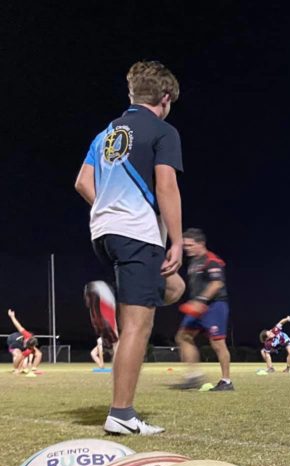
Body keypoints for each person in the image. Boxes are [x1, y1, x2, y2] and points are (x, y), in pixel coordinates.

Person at [74, 61, 186, 435]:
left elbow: (82, 182)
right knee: (138, 324)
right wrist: (177, 240)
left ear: (133, 94)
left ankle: (113, 306)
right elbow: (167, 186)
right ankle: (121, 414)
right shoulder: (163, 130)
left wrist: (107, 209)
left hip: (103, 233)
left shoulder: (105, 134)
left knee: (175, 288)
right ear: (166, 98)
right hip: (137, 233)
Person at [174, 228, 233, 391]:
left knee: (218, 343)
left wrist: (200, 300)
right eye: (185, 246)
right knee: (182, 336)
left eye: (190, 245)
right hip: (197, 307)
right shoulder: (193, 262)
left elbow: (216, 284)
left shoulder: (211, 260)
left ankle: (226, 381)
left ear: (201, 244)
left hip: (214, 306)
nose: (187, 249)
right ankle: (193, 376)